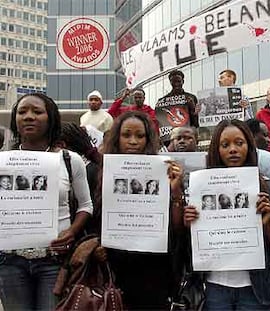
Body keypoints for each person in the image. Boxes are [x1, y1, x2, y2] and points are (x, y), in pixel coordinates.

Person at [0, 93, 93, 310]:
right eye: (22, 112)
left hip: (54, 262)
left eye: (37, 112)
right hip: (9, 262)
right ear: (15, 120)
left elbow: (86, 206)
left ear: (51, 118)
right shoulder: (2, 161)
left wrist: (72, 231)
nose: (29, 117)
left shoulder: (70, 160)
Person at [184, 119, 270, 310]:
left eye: (239, 143)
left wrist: (266, 223)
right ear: (216, 149)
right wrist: (189, 223)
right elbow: (189, 247)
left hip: (257, 289)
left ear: (249, 145)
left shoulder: (268, 185)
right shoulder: (200, 187)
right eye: (225, 144)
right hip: (214, 289)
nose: (233, 149)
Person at [97, 111, 185, 309]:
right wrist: (97, 245)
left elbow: (178, 228)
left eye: (140, 136)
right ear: (117, 138)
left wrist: (176, 189)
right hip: (115, 267)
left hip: (154, 268)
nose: (133, 141)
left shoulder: (165, 171)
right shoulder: (100, 172)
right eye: (126, 135)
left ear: (148, 140)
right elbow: (94, 219)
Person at [156, 70, 199, 143]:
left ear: (183, 81)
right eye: (174, 81)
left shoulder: (191, 97)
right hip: (170, 139)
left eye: (178, 81)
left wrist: (192, 109)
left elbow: (195, 123)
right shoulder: (163, 101)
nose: (176, 84)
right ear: (170, 82)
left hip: (187, 137)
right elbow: (161, 121)